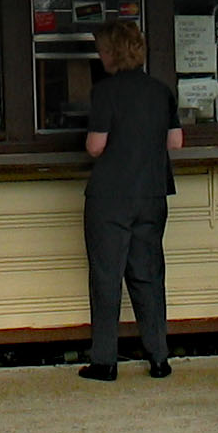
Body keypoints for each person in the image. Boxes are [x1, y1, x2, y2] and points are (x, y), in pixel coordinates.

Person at [78, 19, 182, 381]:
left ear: (113, 52)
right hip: (152, 192)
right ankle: (158, 357)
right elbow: (175, 142)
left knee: (107, 276)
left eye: (103, 49)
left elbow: (95, 146)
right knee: (148, 274)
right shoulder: (161, 90)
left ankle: (105, 361)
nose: (100, 55)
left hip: (111, 196)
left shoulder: (105, 92)